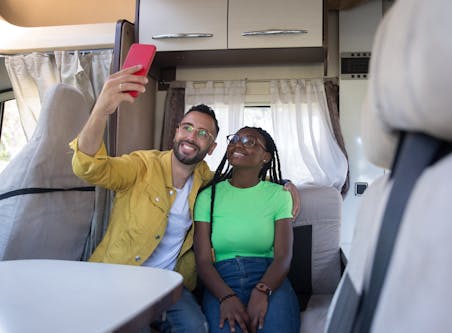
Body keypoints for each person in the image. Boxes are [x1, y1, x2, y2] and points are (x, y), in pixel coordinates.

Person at [69, 65, 300, 333]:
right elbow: (90, 167)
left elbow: (244, 183)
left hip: (169, 285)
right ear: (176, 132)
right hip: (121, 277)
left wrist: (285, 183)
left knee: (196, 328)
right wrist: (102, 109)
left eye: (203, 133)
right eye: (187, 128)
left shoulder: (205, 182)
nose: (192, 136)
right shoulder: (141, 166)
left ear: (212, 147)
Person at [193, 126, 301, 333]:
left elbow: (283, 256)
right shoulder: (208, 196)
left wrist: (263, 290)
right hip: (221, 280)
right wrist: (226, 296)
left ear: (266, 157)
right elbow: (203, 261)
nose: (237, 144)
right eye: (234, 139)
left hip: (269, 277)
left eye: (249, 141)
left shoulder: (279, 195)